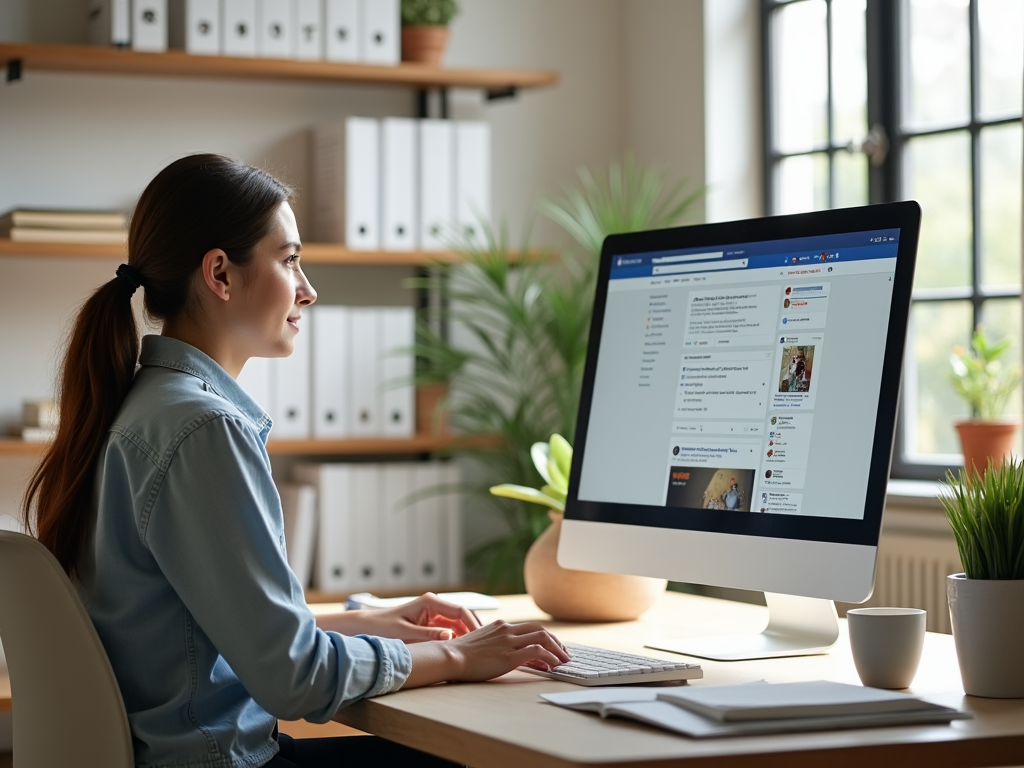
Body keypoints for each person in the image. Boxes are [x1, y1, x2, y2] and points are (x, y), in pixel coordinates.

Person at [24, 154, 569, 768]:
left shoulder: (141, 406)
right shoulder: (204, 428)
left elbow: (213, 630)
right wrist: (462, 657)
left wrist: (375, 622)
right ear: (221, 275)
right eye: (289, 260)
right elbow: (295, 679)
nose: (308, 289)